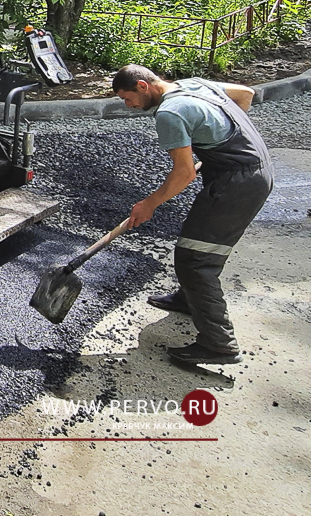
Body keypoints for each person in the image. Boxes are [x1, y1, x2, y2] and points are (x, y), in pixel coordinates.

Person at [112, 64, 273, 366]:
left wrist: (150, 203)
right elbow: (246, 95)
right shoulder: (194, 84)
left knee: (195, 259)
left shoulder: (169, 114)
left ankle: (219, 345)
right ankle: (190, 300)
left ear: (143, 86)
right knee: (200, 244)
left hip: (239, 183)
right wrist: (222, 140)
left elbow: (183, 173)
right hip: (254, 167)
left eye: (127, 98)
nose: (128, 105)